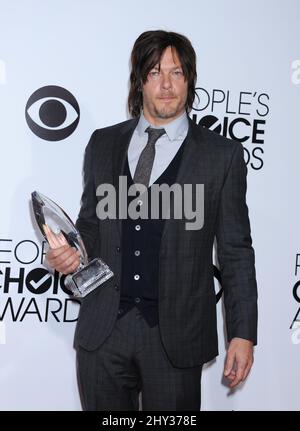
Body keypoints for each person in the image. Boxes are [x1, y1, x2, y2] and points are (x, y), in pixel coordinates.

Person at [45, 30, 258, 411]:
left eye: (176, 73)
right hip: (104, 332)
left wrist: (242, 334)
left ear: (189, 81)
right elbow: (92, 224)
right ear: (139, 79)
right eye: (155, 72)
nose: (165, 85)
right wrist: (71, 253)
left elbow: (235, 251)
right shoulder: (103, 143)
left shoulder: (221, 155)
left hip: (175, 337)